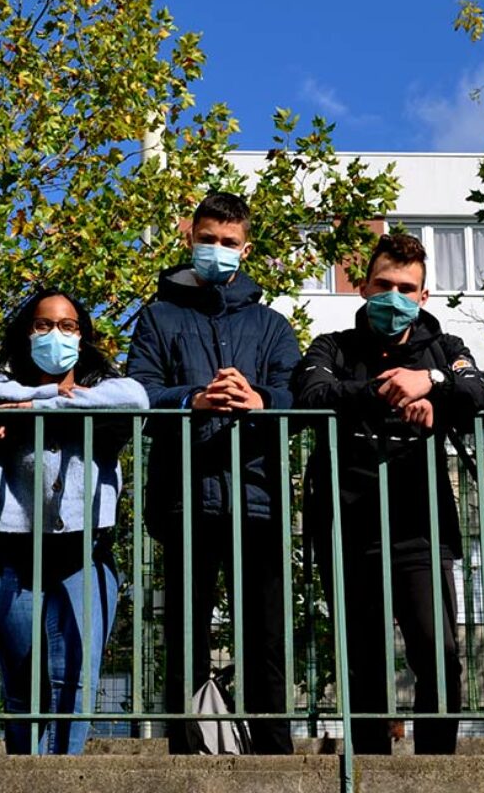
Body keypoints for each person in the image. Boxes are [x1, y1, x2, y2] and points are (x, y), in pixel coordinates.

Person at [292, 232, 484, 754]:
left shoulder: (445, 349)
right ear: (363, 286)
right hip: (347, 523)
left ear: (424, 296)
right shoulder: (332, 345)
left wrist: (430, 383)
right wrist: (388, 390)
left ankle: (436, 772)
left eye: (407, 288)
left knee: (440, 657)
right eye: (384, 285)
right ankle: (368, 771)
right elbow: (313, 394)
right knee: (363, 661)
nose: (394, 297)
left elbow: (478, 392)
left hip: (420, 529)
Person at [0, 290, 147, 754]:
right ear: (26, 331)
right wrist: (43, 394)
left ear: (83, 337)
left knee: (76, 678)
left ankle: (64, 777)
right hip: (12, 556)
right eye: (44, 324)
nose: (57, 335)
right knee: (22, 688)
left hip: (85, 554)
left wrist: (39, 411)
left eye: (69, 326)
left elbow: (135, 398)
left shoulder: (101, 388)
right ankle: (24, 775)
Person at [126, 191, 300, 754]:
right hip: (185, 500)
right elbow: (140, 393)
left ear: (245, 250)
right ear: (189, 239)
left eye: (228, 243)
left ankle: (275, 755)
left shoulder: (272, 324)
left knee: (268, 637)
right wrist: (194, 399)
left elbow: (296, 394)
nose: (217, 250)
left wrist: (258, 401)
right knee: (184, 634)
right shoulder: (156, 317)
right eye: (208, 240)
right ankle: (186, 752)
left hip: (260, 499)